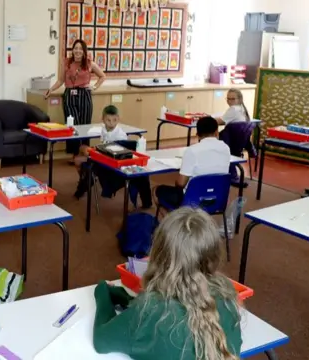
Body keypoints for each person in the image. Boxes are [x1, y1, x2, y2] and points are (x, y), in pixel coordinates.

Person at [92, 207, 242, 359]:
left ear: (159, 255)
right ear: (214, 255)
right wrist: (126, 299)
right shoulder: (228, 300)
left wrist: (102, 293)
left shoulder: (150, 312)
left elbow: (101, 341)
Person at [73, 105, 152, 208]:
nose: (111, 123)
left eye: (114, 120)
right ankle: (84, 184)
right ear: (103, 119)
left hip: (113, 163)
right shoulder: (103, 129)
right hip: (105, 157)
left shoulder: (121, 135)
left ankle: (83, 186)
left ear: (118, 119)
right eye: (108, 120)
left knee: (86, 161)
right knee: (81, 153)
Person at [45, 39, 106, 163]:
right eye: (75, 48)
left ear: (84, 51)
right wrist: (51, 89)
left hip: (84, 94)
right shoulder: (67, 63)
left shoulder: (89, 64)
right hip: (69, 95)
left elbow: (102, 76)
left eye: (80, 49)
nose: (77, 51)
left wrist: (94, 87)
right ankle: (75, 154)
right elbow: (61, 80)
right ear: (72, 50)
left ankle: (84, 153)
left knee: (84, 124)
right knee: (73, 125)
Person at [155, 116, 231, 208]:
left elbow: (181, 184)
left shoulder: (192, 151)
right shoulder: (226, 148)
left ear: (197, 135)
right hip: (218, 199)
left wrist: (176, 182)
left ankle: (176, 220)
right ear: (216, 133)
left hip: (193, 200)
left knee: (156, 190)